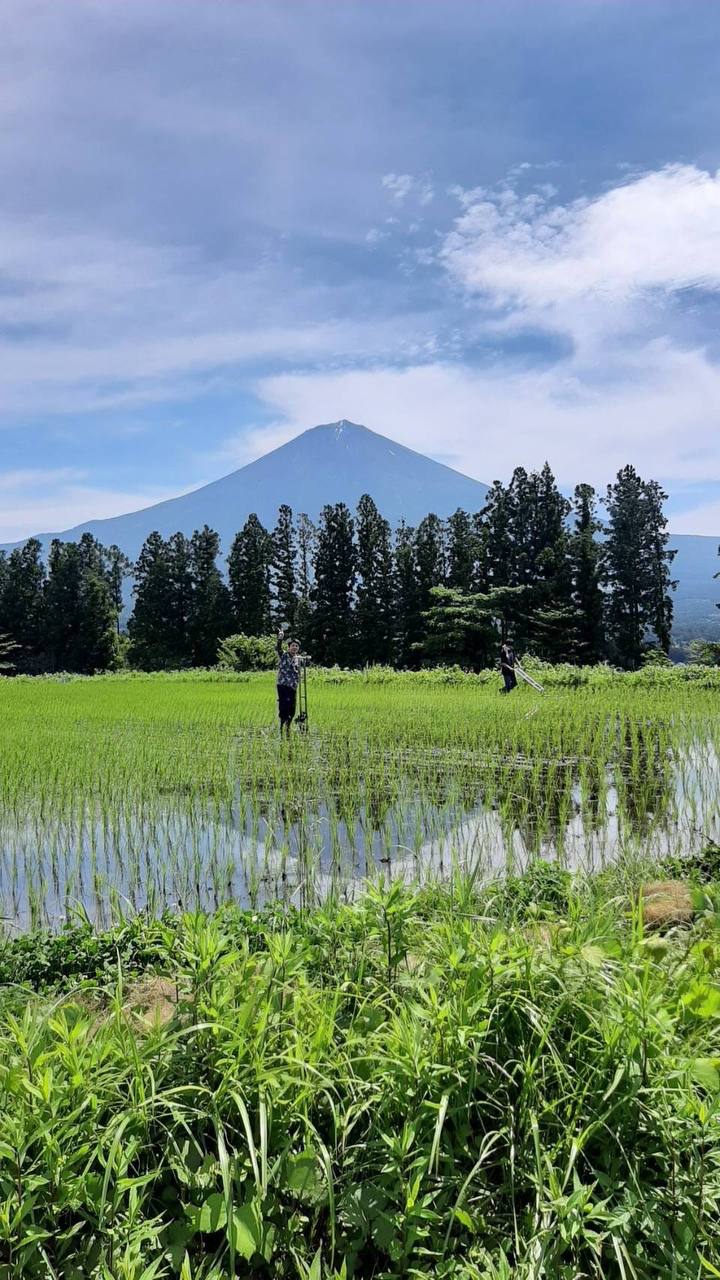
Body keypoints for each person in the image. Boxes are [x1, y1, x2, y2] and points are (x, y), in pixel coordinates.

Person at [276, 630, 301, 736]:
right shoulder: (284, 655)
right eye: (293, 646)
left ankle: (288, 727)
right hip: (283, 685)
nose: (294, 647)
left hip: (293, 686)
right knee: (284, 707)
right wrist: (280, 638)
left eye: (296, 646)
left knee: (292, 708)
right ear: (289, 647)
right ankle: (282, 727)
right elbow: (278, 648)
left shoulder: (298, 659)